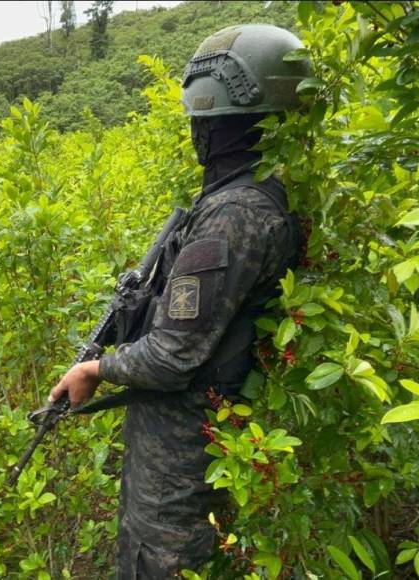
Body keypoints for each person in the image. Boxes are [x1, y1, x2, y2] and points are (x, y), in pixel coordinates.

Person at [49, 23, 311, 578]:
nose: (196, 130)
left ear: (220, 123)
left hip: (183, 442)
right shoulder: (253, 193)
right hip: (197, 429)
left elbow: (172, 356)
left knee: (158, 559)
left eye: (202, 119)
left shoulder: (234, 213)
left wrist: (96, 368)